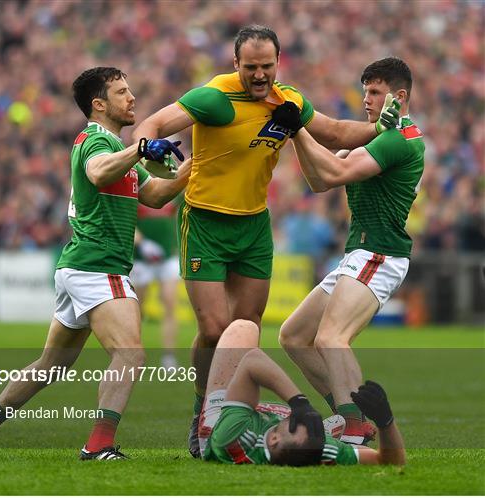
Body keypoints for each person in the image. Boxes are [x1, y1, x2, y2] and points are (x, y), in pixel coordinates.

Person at [132, 24, 400, 457]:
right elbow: (156, 121)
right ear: (236, 64)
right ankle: (204, 411)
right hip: (205, 222)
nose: (260, 75)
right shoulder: (215, 98)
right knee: (215, 329)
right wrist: (150, 143)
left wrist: (383, 127)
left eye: (267, 66)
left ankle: (238, 414)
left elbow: (333, 133)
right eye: (251, 67)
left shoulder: (286, 99)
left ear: (279, 63)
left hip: (254, 226)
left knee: (248, 329)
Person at [0, 67, 190, 460]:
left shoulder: (116, 147)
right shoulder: (96, 141)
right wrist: (141, 148)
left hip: (79, 266)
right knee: (130, 353)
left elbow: (157, 195)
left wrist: (196, 167)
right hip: (98, 266)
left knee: (51, 365)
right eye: (122, 92)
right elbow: (97, 173)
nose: (132, 98)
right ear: (99, 104)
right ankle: (98, 446)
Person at [279, 57, 424, 444]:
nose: (367, 100)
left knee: (330, 338)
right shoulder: (376, 136)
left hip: (380, 253)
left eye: (375, 92)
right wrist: (297, 136)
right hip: (359, 254)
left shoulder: (400, 139)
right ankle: (351, 416)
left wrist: (299, 128)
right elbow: (319, 180)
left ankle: (358, 425)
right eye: (365, 92)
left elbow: (335, 173)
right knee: (294, 336)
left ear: (400, 96)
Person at [200, 319, 405, 466]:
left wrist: (299, 402)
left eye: (301, 423)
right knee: (339, 423)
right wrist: (386, 422)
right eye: (316, 430)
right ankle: (335, 430)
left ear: (273, 439)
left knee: (243, 328)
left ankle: (197, 417)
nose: (308, 422)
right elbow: (389, 461)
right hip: (285, 433)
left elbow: (252, 361)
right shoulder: (321, 450)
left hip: (217, 423)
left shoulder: (234, 436)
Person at [131, 199, 181, 369]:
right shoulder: (137, 194)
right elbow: (128, 223)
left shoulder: (171, 191)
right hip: (142, 259)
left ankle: (169, 356)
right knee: (138, 309)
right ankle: (133, 354)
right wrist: (143, 243)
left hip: (167, 257)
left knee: (169, 304)